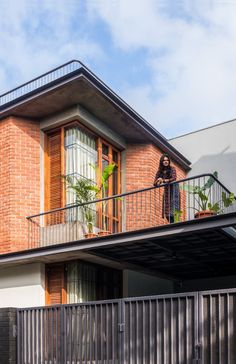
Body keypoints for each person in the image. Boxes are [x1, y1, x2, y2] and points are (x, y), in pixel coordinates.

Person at [154, 154, 180, 223]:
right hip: (167, 191)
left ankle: (174, 224)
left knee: (174, 208)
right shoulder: (160, 171)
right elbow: (154, 183)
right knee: (167, 211)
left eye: (167, 160)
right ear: (161, 162)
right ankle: (171, 224)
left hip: (174, 189)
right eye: (164, 160)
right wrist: (158, 181)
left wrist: (164, 180)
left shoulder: (172, 168)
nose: (166, 162)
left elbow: (174, 178)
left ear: (169, 161)